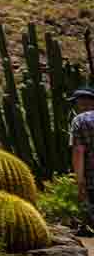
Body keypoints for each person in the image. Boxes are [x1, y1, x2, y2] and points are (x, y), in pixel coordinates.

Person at [69, 86, 94, 235]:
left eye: (76, 103)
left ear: (83, 103)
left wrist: (79, 180)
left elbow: (78, 151)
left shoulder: (79, 120)